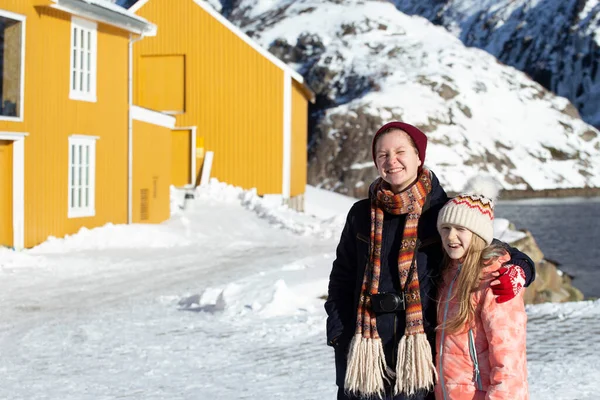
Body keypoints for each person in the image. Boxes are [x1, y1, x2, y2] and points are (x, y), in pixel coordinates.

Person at [325, 121, 533, 400]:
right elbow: (342, 276)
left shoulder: (440, 211)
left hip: (419, 358)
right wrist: (340, 333)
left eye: (401, 152)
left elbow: (486, 246)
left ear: (419, 156)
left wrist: (521, 268)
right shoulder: (361, 214)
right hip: (364, 356)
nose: (392, 161)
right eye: (382, 155)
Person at [435, 185, 528, 399]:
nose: (451, 237)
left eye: (461, 229)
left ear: (478, 234)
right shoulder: (448, 274)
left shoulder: (495, 279)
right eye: (446, 228)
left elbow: (510, 360)